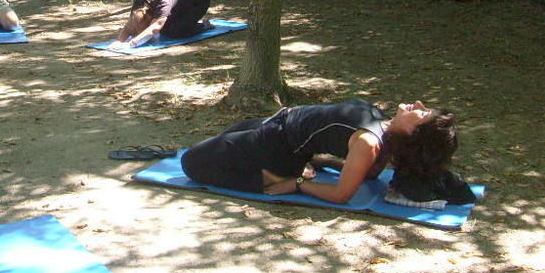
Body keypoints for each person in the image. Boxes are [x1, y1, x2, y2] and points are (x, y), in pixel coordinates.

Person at [181, 99, 468, 204]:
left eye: (421, 113)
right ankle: (283, 170)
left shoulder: (370, 143)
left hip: (274, 145)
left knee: (191, 163)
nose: (416, 104)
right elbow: (367, 171)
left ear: (413, 133)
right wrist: (318, 161)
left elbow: (342, 195)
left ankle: (267, 179)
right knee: (223, 139)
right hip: (278, 126)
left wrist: (298, 182)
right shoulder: (384, 134)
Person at [109, 0, 211, 49]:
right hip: (178, 4)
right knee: (165, 30)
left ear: (150, 19)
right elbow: (129, 26)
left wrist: (134, 42)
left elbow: (155, 28)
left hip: (199, 0)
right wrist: (119, 41)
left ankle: (204, 25)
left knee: (175, 32)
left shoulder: (161, 3)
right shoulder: (138, 5)